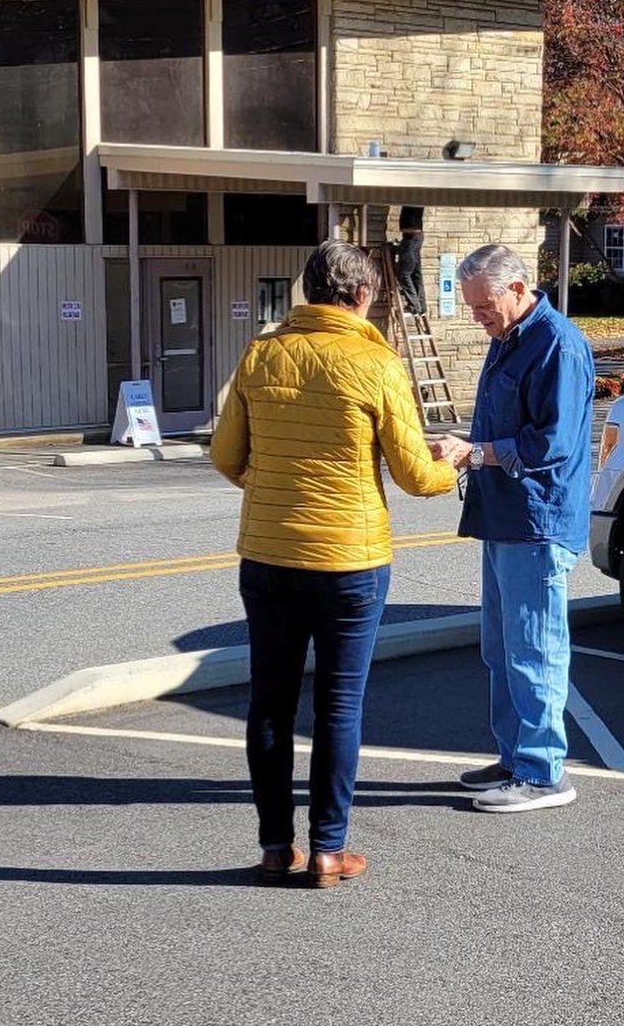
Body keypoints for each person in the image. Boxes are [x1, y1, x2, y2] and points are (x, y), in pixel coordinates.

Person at [211, 240, 457, 887]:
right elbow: (412, 475)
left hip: (268, 552)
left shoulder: (262, 354)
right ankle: (327, 849)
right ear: (364, 296)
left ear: (308, 291)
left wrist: (272, 493)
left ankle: (273, 847)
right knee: (338, 706)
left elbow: (225, 454)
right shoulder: (377, 363)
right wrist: (452, 463)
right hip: (351, 558)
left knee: (269, 704)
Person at [430, 244, 594, 813]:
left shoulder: (557, 345)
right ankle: (516, 757)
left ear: (519, 289)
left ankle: (543, 773)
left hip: (536, 520)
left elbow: (553, 444)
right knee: (502, 648)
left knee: (534, 649)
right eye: (473, 308)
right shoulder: (511, 339)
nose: (479, 318)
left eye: (485, 306)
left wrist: (474, 453)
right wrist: (471, 451)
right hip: (506, 516)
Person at [395, 205, 427, 318]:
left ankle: (414, 306)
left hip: (411, 236)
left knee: (404, 274)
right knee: (415, 275)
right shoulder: (416, 194)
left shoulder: (413, 195)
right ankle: (421, 307)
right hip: (415, 236)